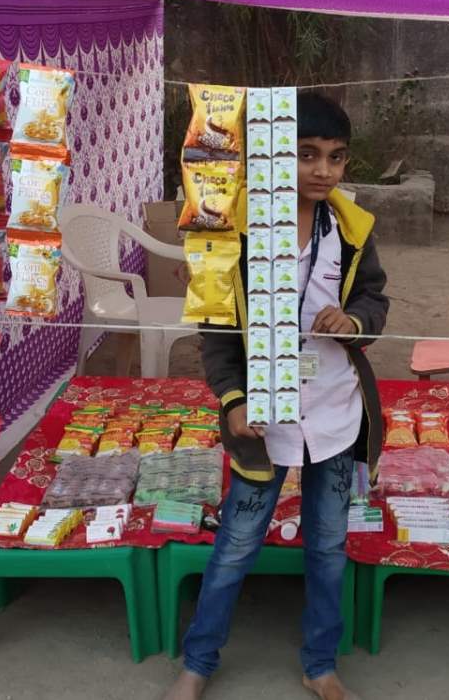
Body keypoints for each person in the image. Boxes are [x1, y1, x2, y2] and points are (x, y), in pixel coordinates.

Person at [165, 91, 389, 700]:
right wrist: (233, 399)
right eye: (306, 154)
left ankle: (320, 664)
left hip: (335, 410)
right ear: (271, 157)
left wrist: (355, 321)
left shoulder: (351, 229)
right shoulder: (228, 229)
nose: (323, 171)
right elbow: (215, 326)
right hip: (261, 420)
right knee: (237, 543)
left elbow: (375, 298)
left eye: (336, 157)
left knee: (329, 546)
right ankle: (198, 663)